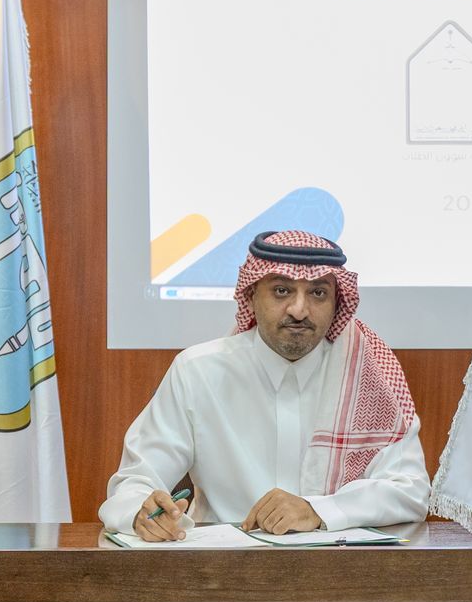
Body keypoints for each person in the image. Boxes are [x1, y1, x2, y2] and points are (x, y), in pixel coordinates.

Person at [99, 230, 429, 540]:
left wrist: (317, 509)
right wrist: (141, 512)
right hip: (221, 570)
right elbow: (135, 479)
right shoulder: (198, 371)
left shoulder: (366, 376)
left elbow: (411, 490)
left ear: (337, 304)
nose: (299, 310)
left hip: (337, 569)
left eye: (318, 293)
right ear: (252, 295)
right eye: (282, 291)